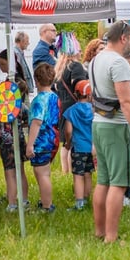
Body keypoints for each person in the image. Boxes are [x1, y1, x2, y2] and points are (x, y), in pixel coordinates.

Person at [88, 20, 130, 244]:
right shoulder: (118, 62)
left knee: (103, 181)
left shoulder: (96, 60)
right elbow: (126, 102)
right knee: (118, 183)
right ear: (123, 38)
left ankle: (99, 231)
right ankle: (111, 237)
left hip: (99, 123)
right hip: (116, 126)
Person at [0, 78, 31, 213]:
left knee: (9, 173)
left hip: (5, 143)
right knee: (20, 171)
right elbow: (28, 122)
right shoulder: (23, 107)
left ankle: (12, 203)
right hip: (19, 140)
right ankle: (25, 200)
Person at [26, 63, 59, 212]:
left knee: (42, 174)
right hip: (52, 138)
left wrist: (30, 144)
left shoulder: (39, 100)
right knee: (44, 172)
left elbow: (37, 123)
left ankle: (47, 205)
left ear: (37, 81)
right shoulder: (54, 97)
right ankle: (45, 201)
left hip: (41, 141)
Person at [54, 31, 88, 174]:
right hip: (76, 108)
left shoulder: (59, 69)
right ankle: (74, 171)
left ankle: (65, 172)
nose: (80, 52)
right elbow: (80, 87)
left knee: (66, 143)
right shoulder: (76, 67)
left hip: (63, 108)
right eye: (79, 49)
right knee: (74, 142)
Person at [62, 79, 94, 211]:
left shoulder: (71, 111)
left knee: (78, 175)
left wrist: (68, 143)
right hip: (91, 148)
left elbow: (68, 130)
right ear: (89, 95)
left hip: (78, 148)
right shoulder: (94, 110)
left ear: (76, 94)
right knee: (88, 174)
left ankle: (79, 203)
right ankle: (87, 199)